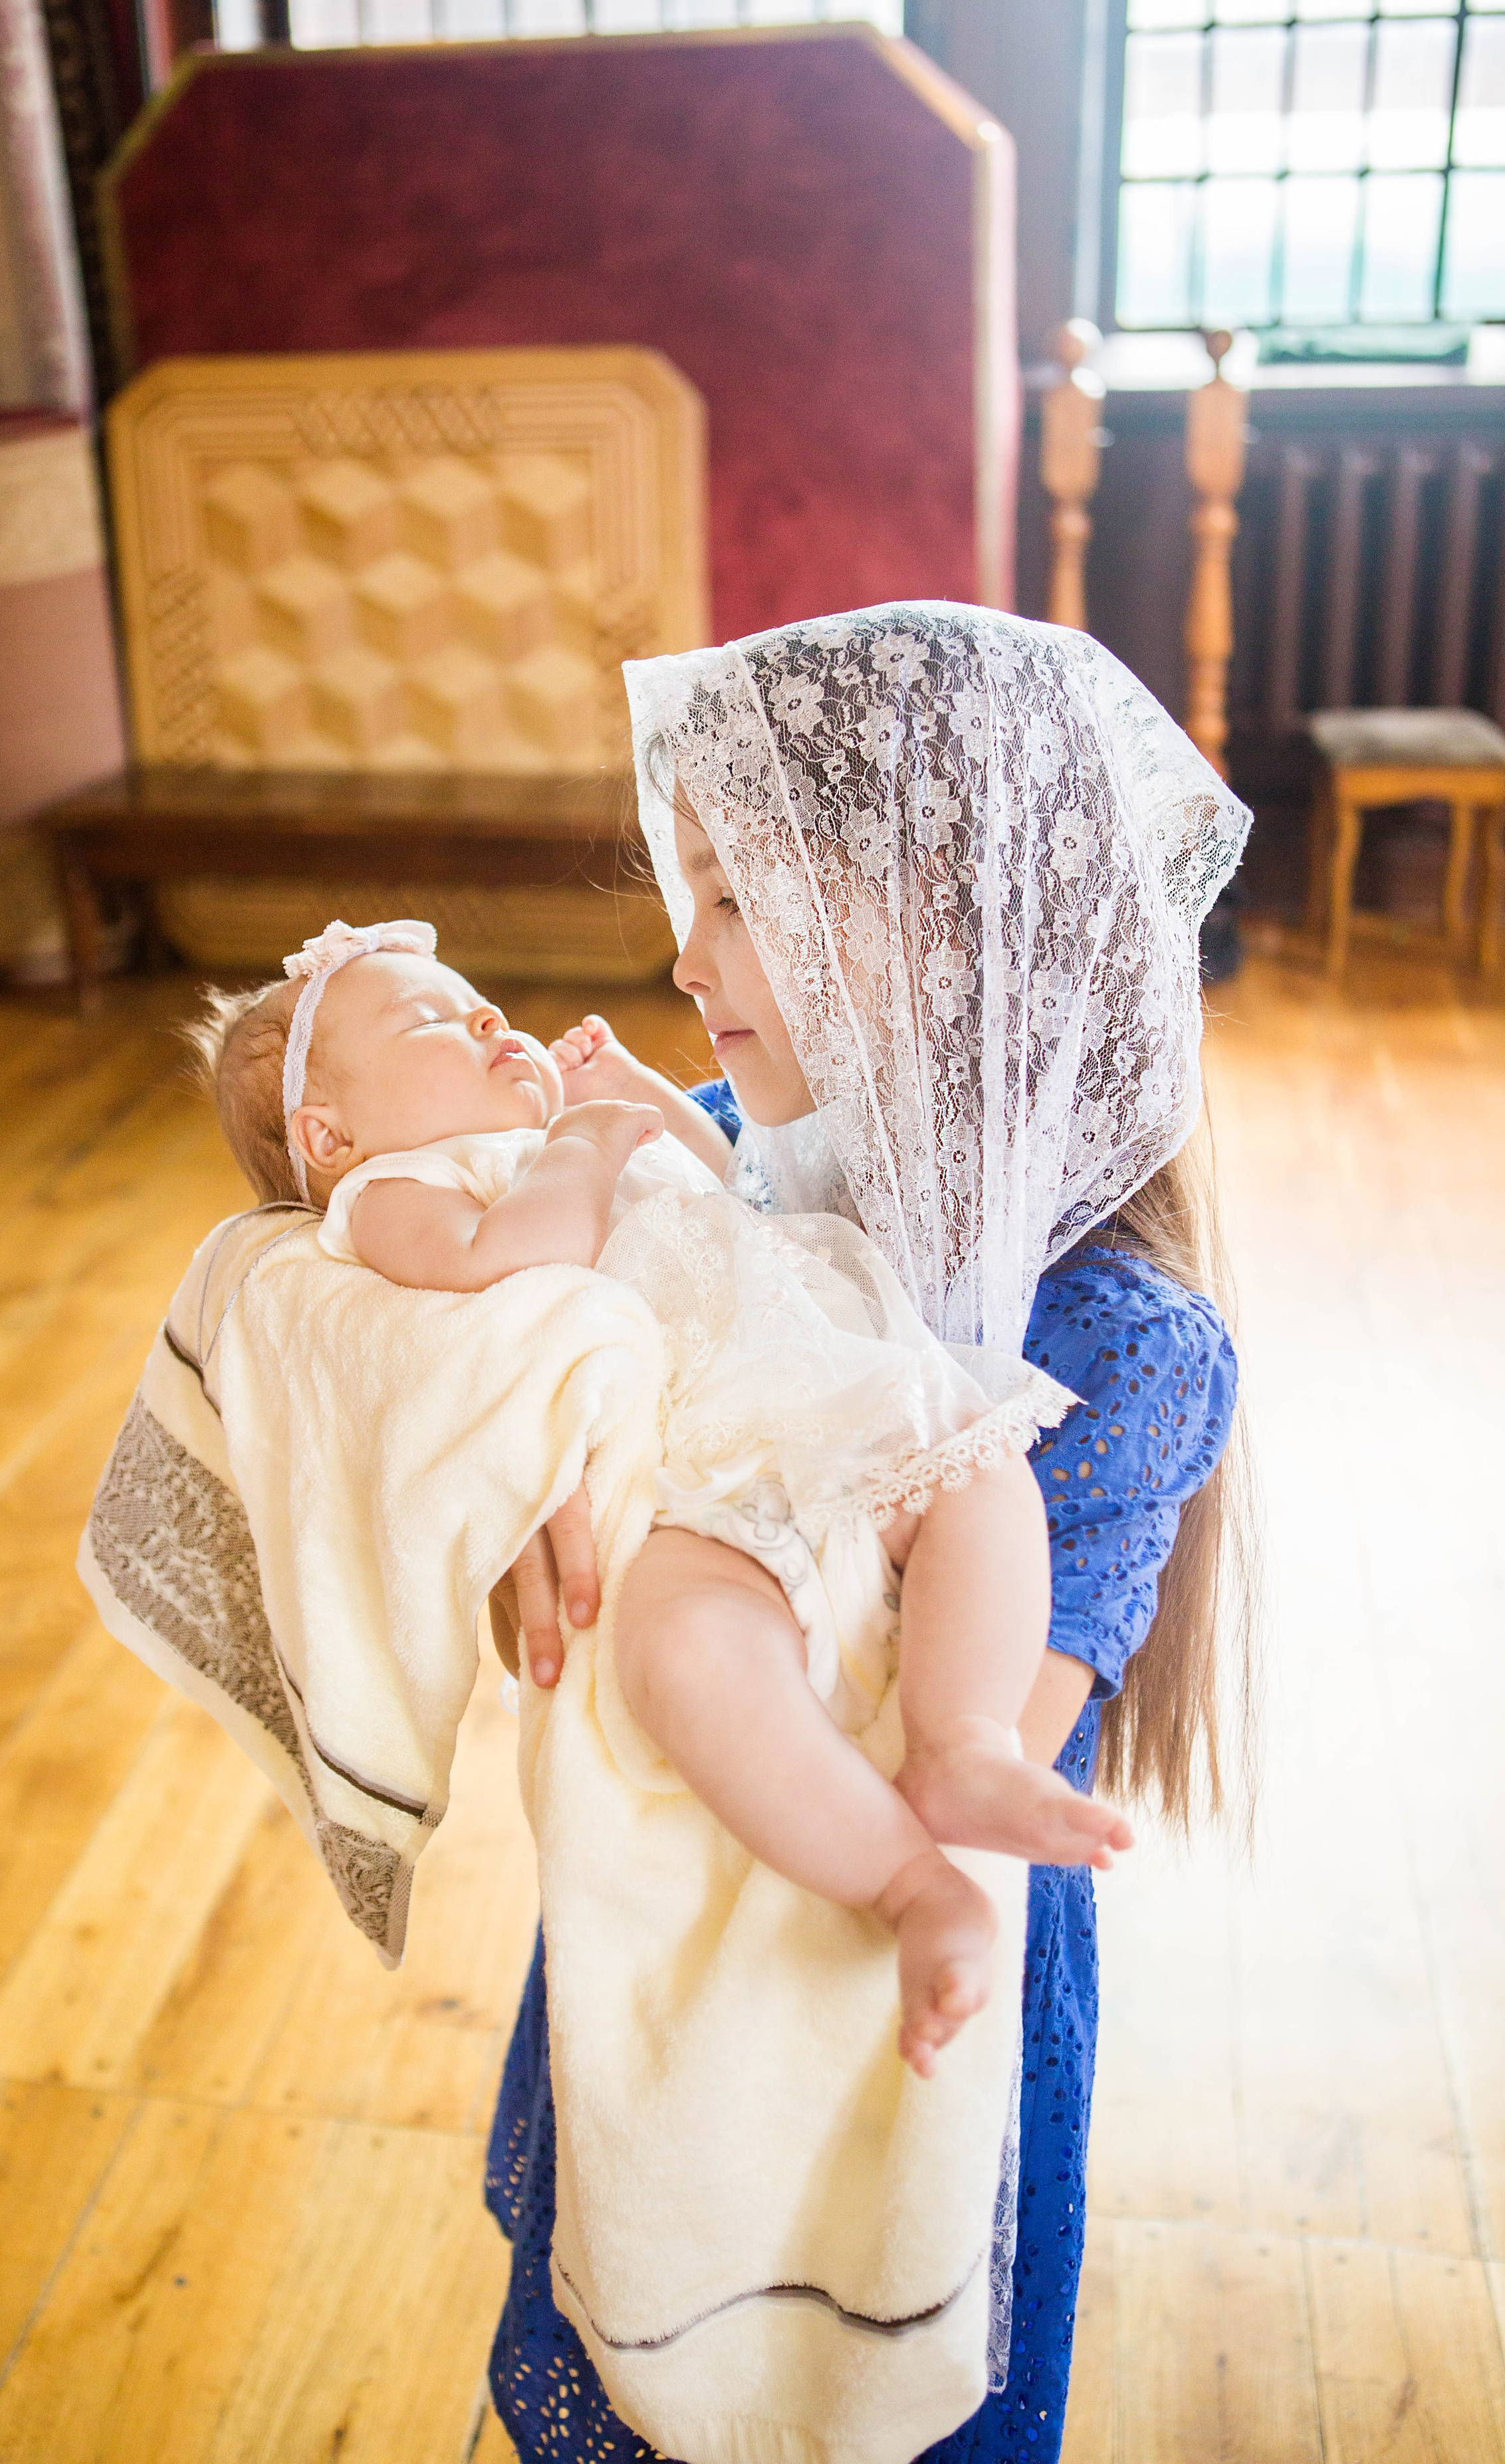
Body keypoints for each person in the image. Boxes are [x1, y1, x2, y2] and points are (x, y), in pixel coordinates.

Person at [487, 603, 1256, 2463]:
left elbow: (917, 1752)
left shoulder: (1115, 1344)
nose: (685, 957)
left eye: (746, 900)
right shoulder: (746, 1212)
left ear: (948, 935)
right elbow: (549, 1410)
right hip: (658, 1971)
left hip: (886, 2028)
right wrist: (537, 1492)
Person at [194, 914, 1129, 2071]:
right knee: (686, 1650)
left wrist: (634, 1101)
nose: (487, 1016)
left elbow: (736, 1186)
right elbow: (505, 1263)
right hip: (698, 1461)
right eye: (431, 1020)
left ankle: (964, 1740)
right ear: (329, 1133)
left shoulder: (565, 1132)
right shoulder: (399, 1189)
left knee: (984, 1475)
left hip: (830, 1387)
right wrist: (580, 1145)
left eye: (475, 994)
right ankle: (905, 1879)